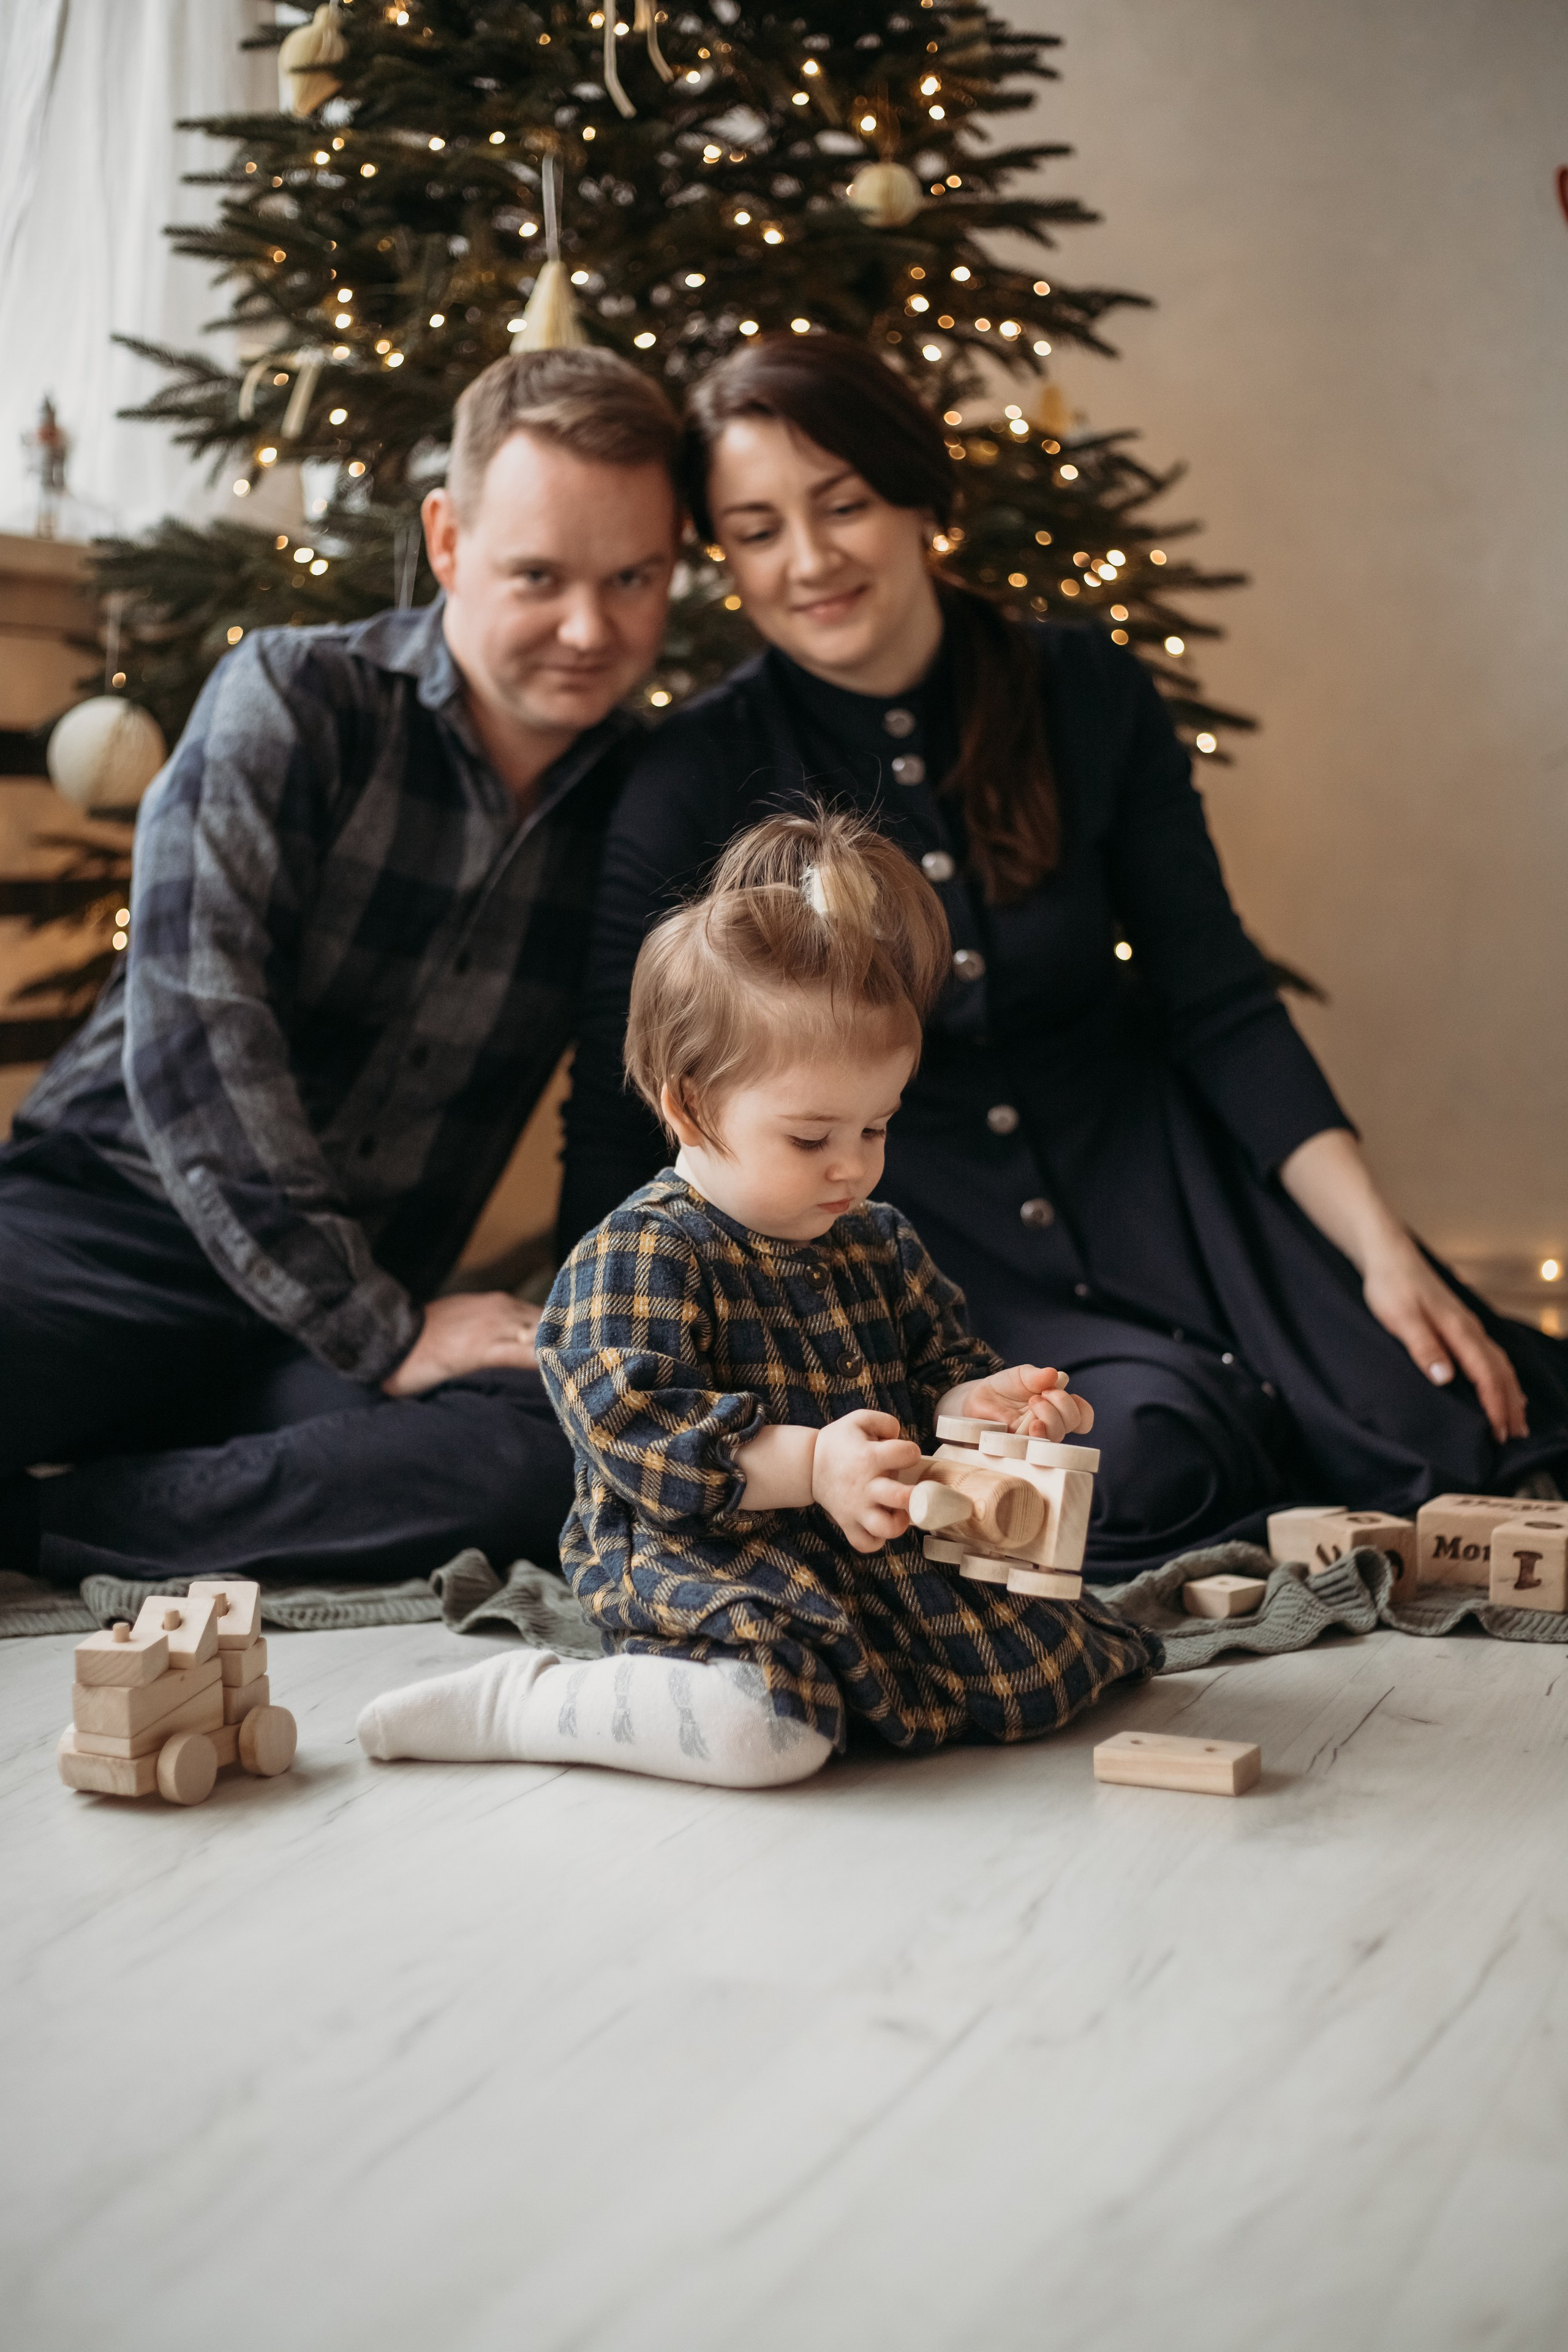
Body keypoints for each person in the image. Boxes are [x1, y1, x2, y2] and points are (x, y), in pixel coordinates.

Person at [557, 333, 1568, 1577]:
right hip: (928, 1233)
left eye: (843, 505)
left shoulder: (1082, 687)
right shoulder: (692, 768)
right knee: (1127, 1473)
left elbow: (1220, 999)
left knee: (1448, 1421)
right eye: (756, 530)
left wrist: (1379, 1250)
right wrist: (587, 1338)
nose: (808, 560)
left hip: (1159, 1176)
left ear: (917, 493)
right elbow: (634, 1091)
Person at [0, 347, 680, 1585]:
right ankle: (169, 1492)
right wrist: (377, 1325)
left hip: (351, 1317)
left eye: (633, 577)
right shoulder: (292, 696)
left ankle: (44, 1524)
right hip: (111, 1233)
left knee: (555, 1452)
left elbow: (640, 1101)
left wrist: (419, 1328)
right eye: (539, 576)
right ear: (447, 539)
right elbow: (198, 1039)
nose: (592, 629)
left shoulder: (645, 800)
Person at [355, 810, 1158, 1786]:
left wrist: (973, 1410)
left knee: (1048, 1667)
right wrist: (813, 1464)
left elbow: (936, 1364)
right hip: (710, 1552)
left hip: (864, 1550)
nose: (853, 1168)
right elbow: (639, 1433)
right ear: (689, 1105)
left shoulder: (878, 1238)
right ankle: (532, 1703)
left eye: (877, 1126)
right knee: (767, 1731)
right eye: (812, 1139)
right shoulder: (642, 1252)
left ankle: (861, 1675)